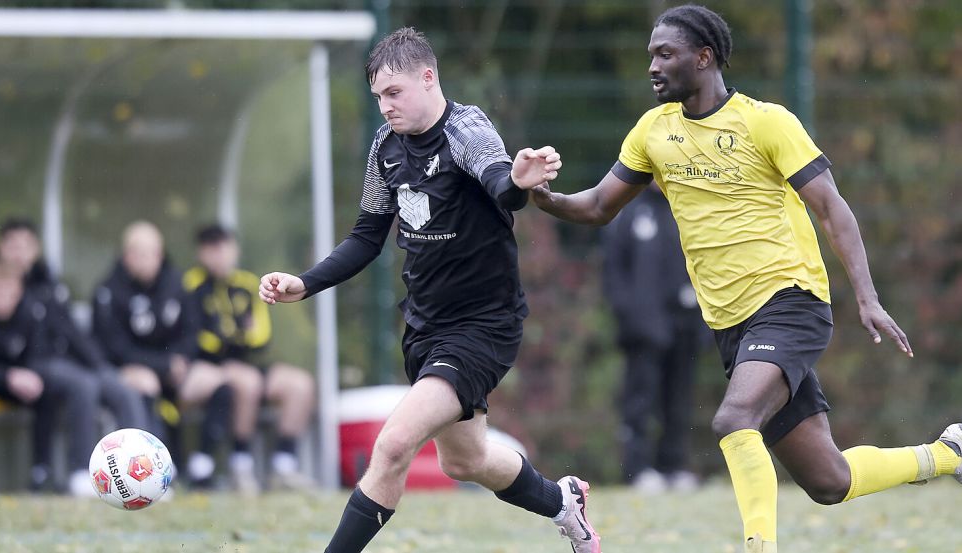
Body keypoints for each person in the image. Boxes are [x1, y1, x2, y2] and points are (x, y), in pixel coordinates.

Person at [527, 5, 961, 552]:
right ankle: (948, 455)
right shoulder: (653, 132)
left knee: (734, 418)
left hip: (790, 300)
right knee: (829, 481)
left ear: (704, 57)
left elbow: (832, 209)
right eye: (650, 56)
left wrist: (868, 298)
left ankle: (759, 546)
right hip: (731, 323)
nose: (653, 67)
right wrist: (539, 194)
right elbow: (594, 207)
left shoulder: (766, 121)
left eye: (666, 54)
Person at [259, 27, 601, 553]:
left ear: (428, 77)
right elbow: (367, 236)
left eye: (394, 93)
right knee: (464, 461)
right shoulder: (386, 147)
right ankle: (563, 501)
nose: (385, 107)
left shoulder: (465, 129)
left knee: (394, 444)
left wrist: (521, 178)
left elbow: (500, 188)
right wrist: (304, 283)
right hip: (425, 325)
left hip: (483, 326)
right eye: (378, 97)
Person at [0, 217, 150, 491]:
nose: (20, 253)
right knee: (84, 384)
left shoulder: (49, 284)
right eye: (13, 246)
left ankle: (146, 467)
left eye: (26, 246)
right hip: (30, 366)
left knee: (120, 386)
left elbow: (73, 333)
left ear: (36, 248)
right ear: (1, 247)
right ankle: (83, 471)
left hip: (68, 364)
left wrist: (103, 366)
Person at [92, 221, 233, 489]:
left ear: (160, 253)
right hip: (132, 368)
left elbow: (192, 331)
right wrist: (161, 365)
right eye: (138, 254)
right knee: (146, 385)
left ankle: (202, 464)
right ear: (126, 256)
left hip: (175, 367)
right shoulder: (109, 290)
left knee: (219, 383)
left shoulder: (178, 284)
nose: (145, 260)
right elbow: (113, 346)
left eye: (151, 253)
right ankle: (157, 470)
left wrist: (182, 359)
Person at [183, 223, 315, 494]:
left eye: (225, 247)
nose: (220, 255)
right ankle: (240, 464)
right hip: (212, 366)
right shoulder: (192, 285)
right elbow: (198, 337)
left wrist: (233, 337)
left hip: (249, 362)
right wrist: (236, 336)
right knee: (248, 382)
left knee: (300, 384)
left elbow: (261, 337)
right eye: (212, 249)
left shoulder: (247, 283)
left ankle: (284, 465)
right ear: (201, 253)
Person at [602, 184, 706, 493]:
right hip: (643, 330)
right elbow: (613, 271)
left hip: (686, 325)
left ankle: (673, 466)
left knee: (679, 401)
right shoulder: (629, 211)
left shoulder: (691, 209)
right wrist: (632, 315)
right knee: (639, 401)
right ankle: (638, 470)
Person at [0, 260, 99, 496]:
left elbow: (40, 354)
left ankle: (43, 472)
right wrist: (6, 376)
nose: (3, 297)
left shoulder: (31, 312)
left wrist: (30, 375)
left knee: (48, 388)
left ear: (19, 292)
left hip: (21, 383)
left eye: (9, 291)